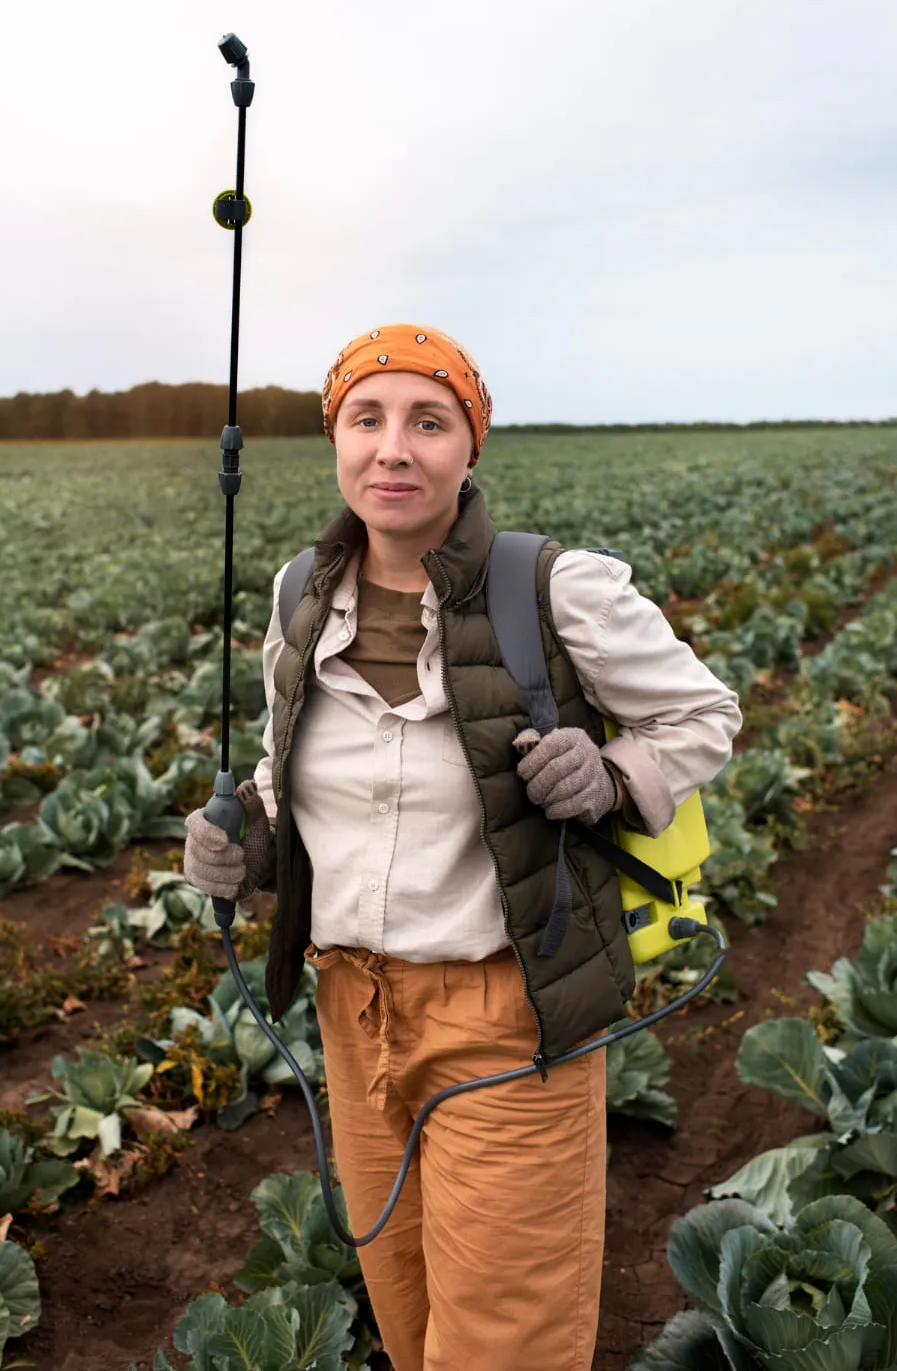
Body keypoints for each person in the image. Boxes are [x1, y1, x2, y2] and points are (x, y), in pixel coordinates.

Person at [182, 324, 742, 1371]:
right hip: (351, 1013)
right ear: (336, 440)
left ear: (468, 446)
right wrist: (245, 838)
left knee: (501, 1347)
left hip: (505, 1019)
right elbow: (280, 767)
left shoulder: (555, 588)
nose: (393, 448)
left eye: (427, 421)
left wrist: (611, 774)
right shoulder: (299, 592)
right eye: (367, 418)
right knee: (406, 1311)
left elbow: (703, 717)